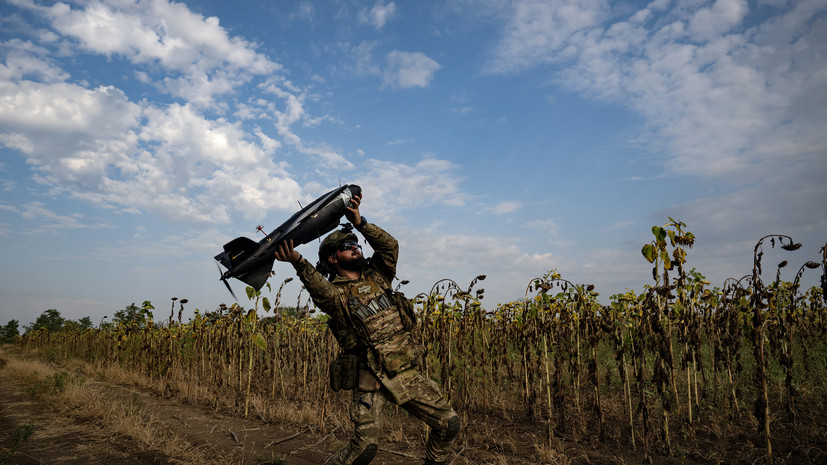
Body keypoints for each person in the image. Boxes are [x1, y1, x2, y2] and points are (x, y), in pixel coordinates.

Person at [274, 192, 459, 465]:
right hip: (369, 378)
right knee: (364, 449)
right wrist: (299, 262)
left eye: (355, 244)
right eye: (346, 246)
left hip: (402, 371)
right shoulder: (336, 294)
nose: (355, 247)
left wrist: (361, 223)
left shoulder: (378, 276)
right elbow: (320, 291)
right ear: (333, 259)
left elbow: (390, 247)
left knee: (448, 423)